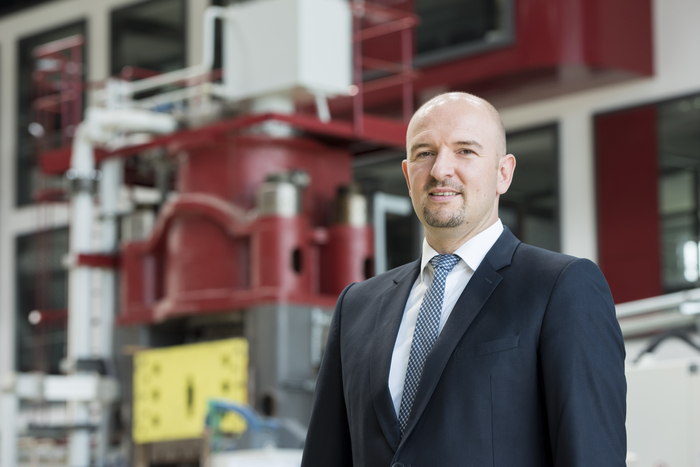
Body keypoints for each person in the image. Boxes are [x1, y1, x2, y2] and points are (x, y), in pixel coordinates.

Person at [301, 92, 626, 466]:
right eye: (424, 153)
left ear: (503, 173)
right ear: (408, 175)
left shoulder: (560, 288)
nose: (441, 170)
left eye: (465, 151)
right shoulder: (356, 307)